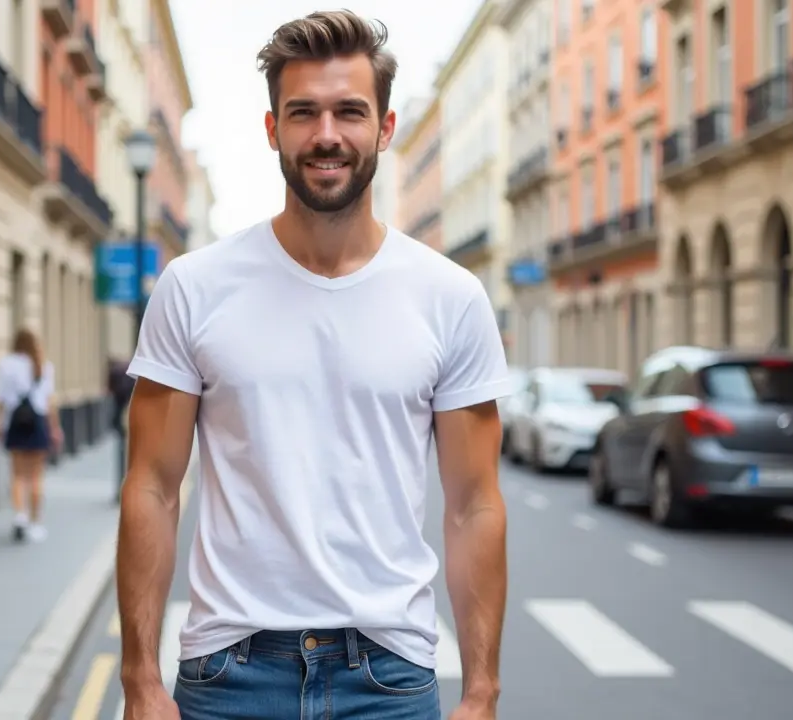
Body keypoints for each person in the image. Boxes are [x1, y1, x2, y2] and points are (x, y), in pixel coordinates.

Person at [116, 9, 511, 719]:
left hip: (388, 676)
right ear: (273, 129)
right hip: (229, 671)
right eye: (303, 113)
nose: (327, 134)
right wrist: (139, 680)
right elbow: (151, 485)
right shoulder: (195, 287)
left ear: (385, 129)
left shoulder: (451, 297)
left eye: (349, 112)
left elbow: (474, 504)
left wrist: (482, 692)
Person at [0, 328, 62, 542]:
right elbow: (50, 402)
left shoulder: (6, 364)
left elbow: (3, 399)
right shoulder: (44, 365)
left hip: (16, 422)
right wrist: (54, 427)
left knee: (17, 474)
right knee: (36, 475)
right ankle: (35, 523)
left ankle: (20, 515)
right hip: (38, 423)